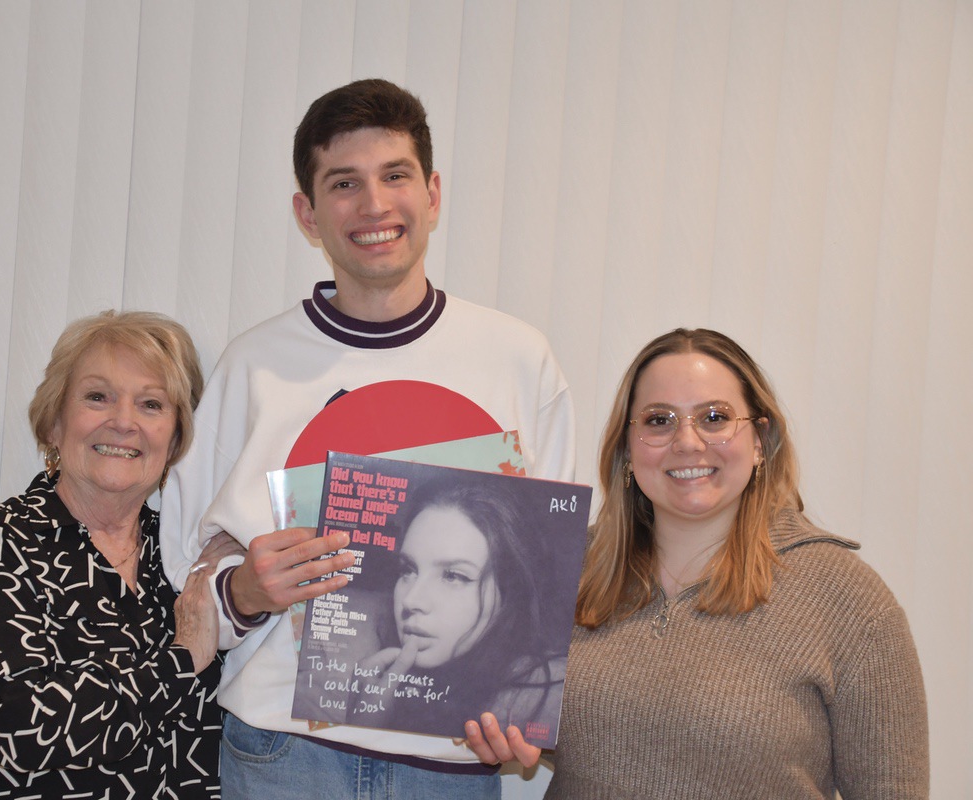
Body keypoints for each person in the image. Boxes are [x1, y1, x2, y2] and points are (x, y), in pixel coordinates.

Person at [160, 78, 576, 799]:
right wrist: (247, 593)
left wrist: (521, 701)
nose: (375, 205)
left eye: (395, 176)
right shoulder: (255, 366)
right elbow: (183, 563)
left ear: (434, 194)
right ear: (308, 213)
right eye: (344, 183)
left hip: (453, 765)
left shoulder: (518, 359)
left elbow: (553, 573)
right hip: (282, 759)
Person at [466, 327, 929, 799]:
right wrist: (511, 732)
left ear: (759, 441)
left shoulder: (848, 600)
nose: (687, 442)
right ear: (627, 449)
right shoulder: (561, 569)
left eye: (714, 417)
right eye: (659, 420)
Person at [0, 310, 240, 800]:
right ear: (54, 423)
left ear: (177, 439)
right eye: (97, 397)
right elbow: (19, 730)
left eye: (151, 405)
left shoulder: (186, 559)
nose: (123, 422)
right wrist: (183, 659)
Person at [350, 478, 564, 737]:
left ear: (510, 592)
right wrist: (358, 730)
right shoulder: (383, 682)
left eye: (453, 576)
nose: (411, 600)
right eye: (407, 570)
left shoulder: (549, 694)